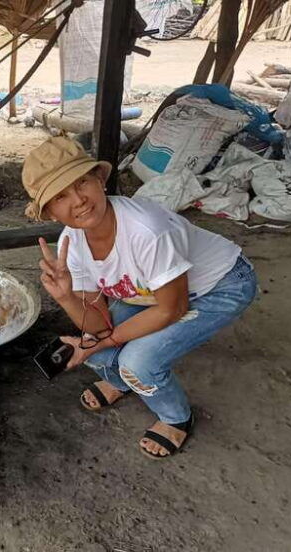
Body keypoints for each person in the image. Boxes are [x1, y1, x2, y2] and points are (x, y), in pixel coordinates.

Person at [22, 137, 257, 459]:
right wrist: (66, 297)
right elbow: (96, 323)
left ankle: (175, 417)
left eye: (82, 183)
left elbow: (172, 309)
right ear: (49, 213)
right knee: (94, 348)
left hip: (220, 285)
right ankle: (122, 382)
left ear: (100, 180)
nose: (78, 200)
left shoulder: (147, 231)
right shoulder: (72, 245)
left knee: (137, 362)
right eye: (61, 196)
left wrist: (103, 341)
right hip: (149, 292)